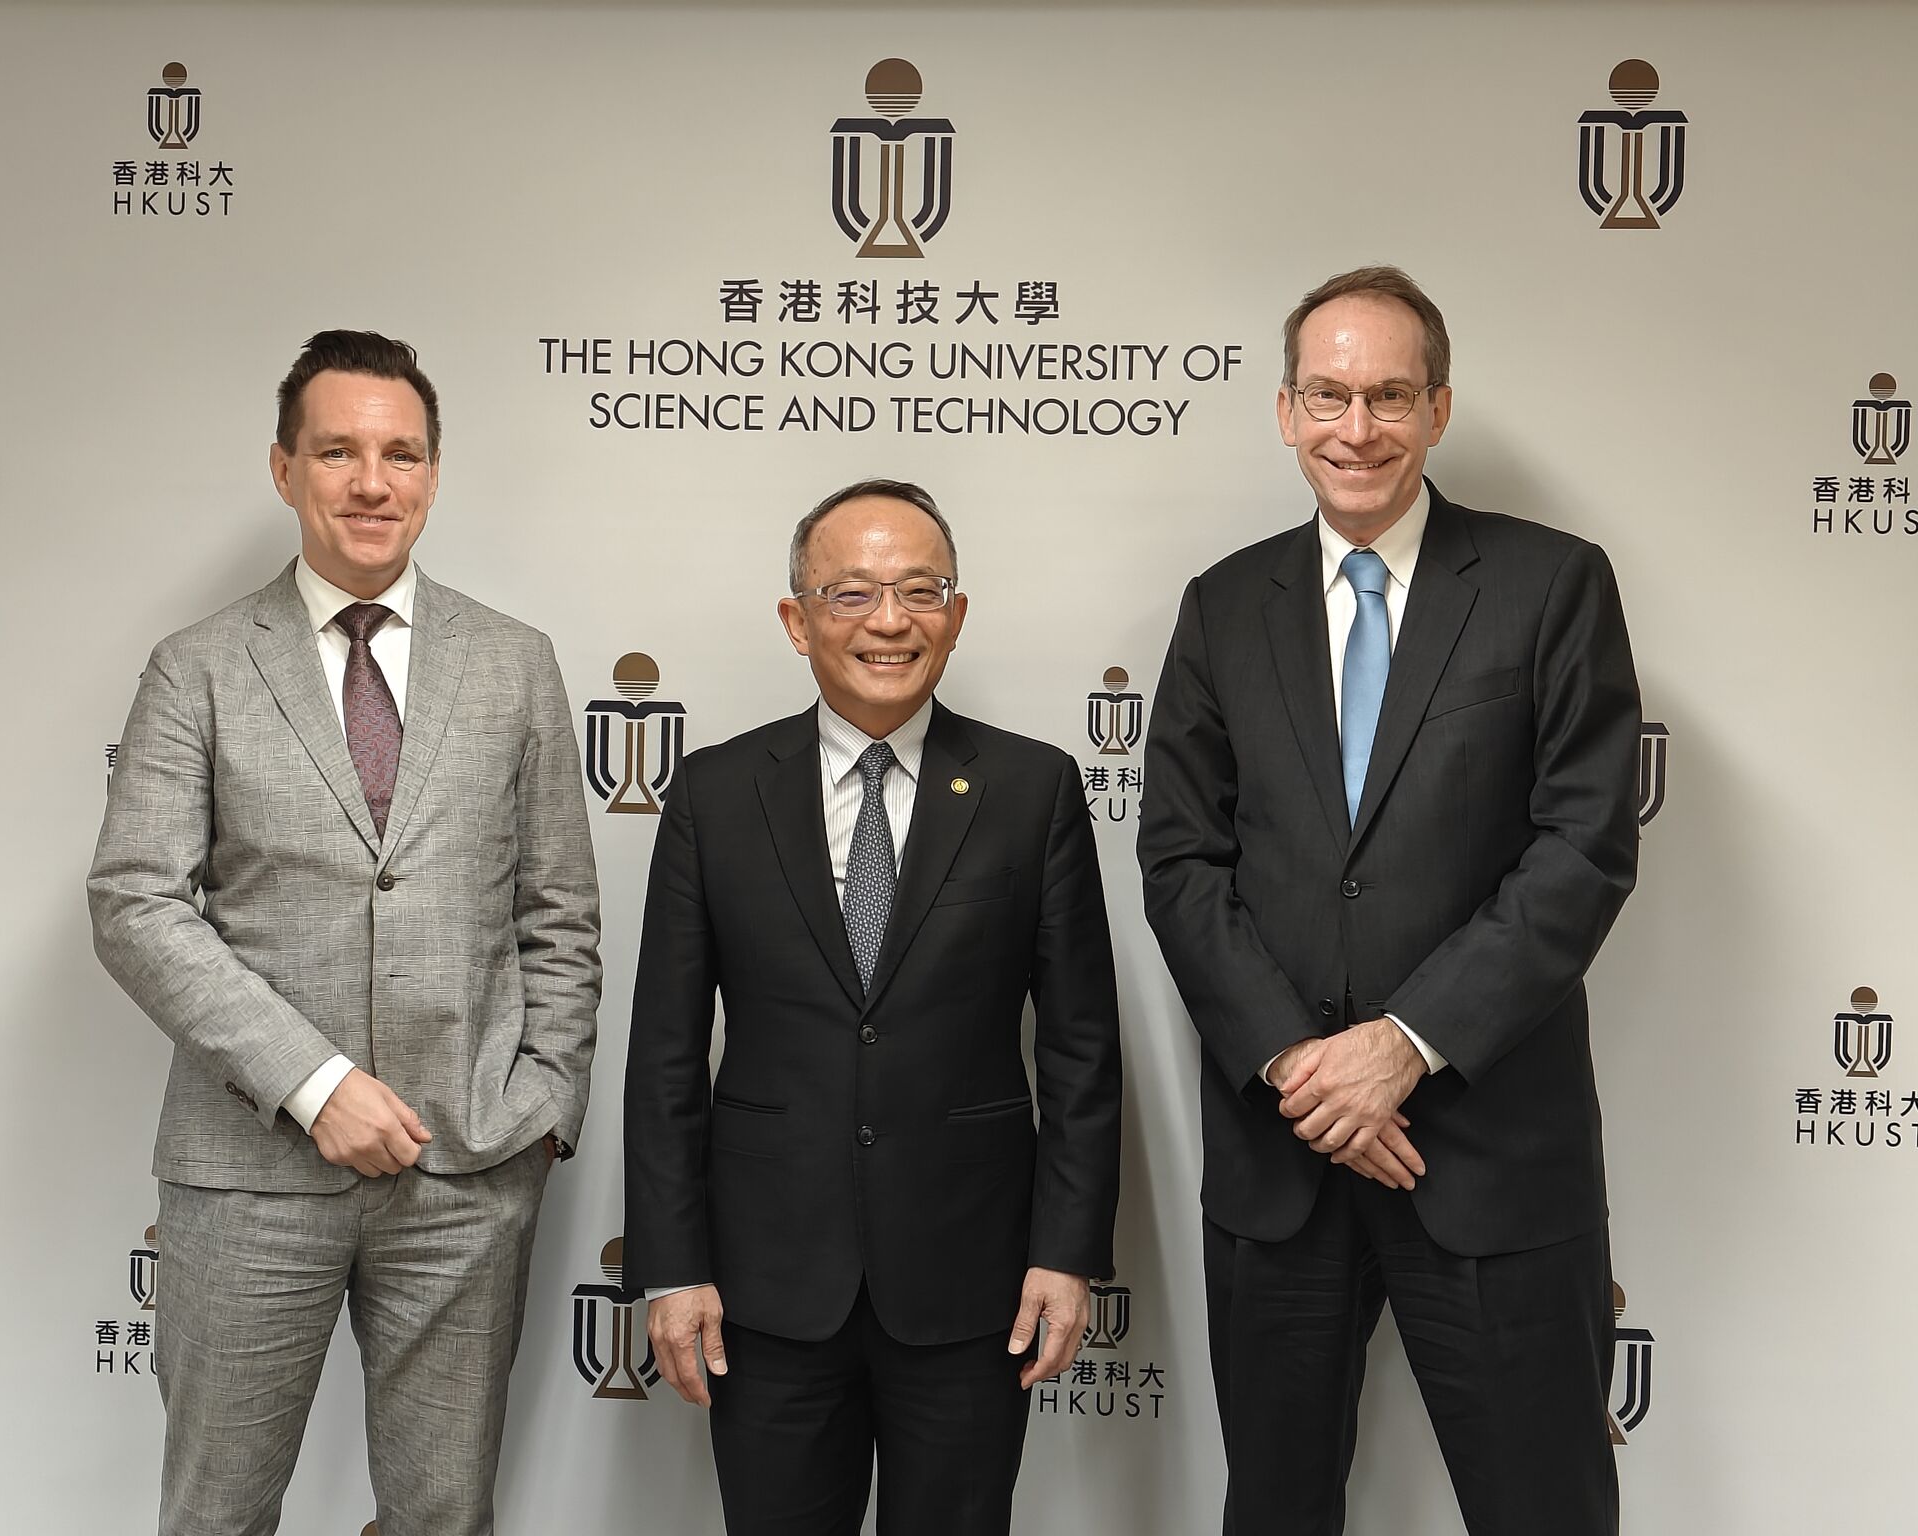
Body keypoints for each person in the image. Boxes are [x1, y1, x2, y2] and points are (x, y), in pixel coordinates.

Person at [1138, 267, 1641, 1536]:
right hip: (1282, 1150)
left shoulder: (1549, 585)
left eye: (1385, 395)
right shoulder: (1220, 604)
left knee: (1544, 1507)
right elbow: (1180, 862)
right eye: (1326, 394)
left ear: (1437, 407)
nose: (1352, 427)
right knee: (1275, 1509)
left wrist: (1400, 1049)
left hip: (1484, 1149)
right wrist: (1304, 1070)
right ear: (1282, 408)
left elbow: (1581, 847)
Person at [88, 329, 601, 1536]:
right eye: (338, 452)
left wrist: (537, 1108)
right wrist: (315, 1086)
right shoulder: (198, 668)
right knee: (217, 1514)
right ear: (284, 470)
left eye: (400, 454)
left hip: (467, 1174)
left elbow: (559, 913)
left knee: (442, 1517)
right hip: (249, 1172)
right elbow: (135, 902)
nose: (372, 482)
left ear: (431, 473)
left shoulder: (515, 664)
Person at [623, 479, 1123, 1535]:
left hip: (971, 1284)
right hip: (763, 1293)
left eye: (918, 591)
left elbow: (1081, 1049)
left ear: (956, 613)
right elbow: (665, 1055)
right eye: (850, 593)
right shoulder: (715, 795)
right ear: (795, 618)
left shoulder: (1031, 789)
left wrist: (1066, 1251)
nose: (888, 622)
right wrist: (670, 1266)